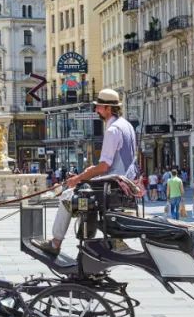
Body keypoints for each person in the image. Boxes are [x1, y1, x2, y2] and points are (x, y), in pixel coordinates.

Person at [33, 89, 137, 256]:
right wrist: (90, 172)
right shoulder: (127, 126)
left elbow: (104, 167)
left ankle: (55, 243)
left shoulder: (112, 130)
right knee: (81, 191)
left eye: (99, 107)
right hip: (125, 183)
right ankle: (88, 239)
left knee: (68, 196)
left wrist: (79, 178)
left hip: (113, 187)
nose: (96, 111)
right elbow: (110, 163)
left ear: (108, 109)